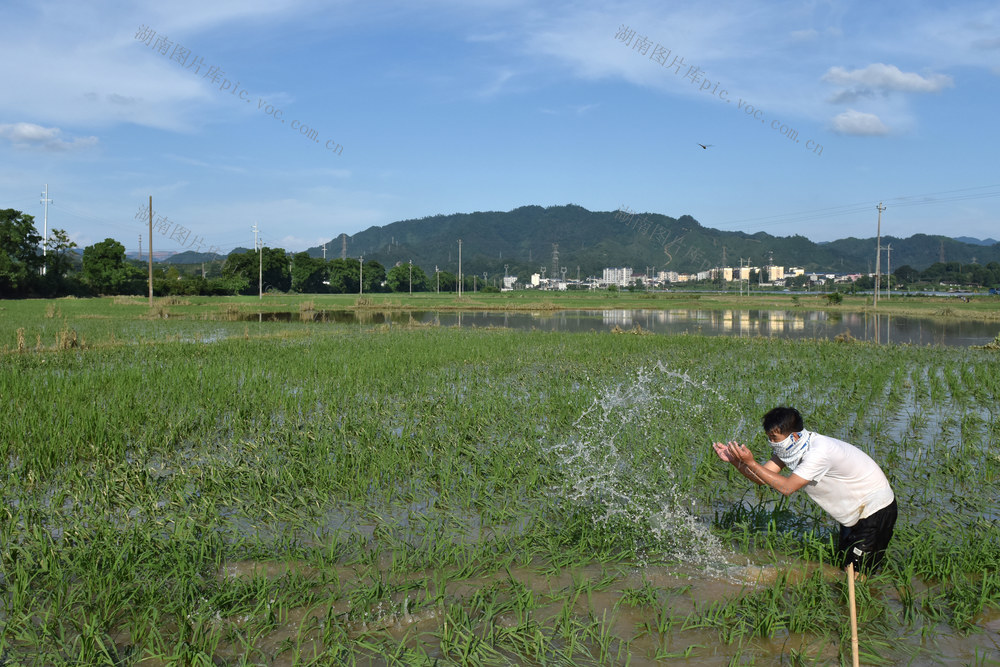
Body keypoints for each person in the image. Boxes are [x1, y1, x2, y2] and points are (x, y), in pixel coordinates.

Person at [713, 406, 897, 576]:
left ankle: (863, 603)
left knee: (857, 572)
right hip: (854, 509)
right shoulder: (793, 447)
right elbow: (762, 478)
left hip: (875, 509)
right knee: (845, 564)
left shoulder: (818, 452)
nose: (771, 443)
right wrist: (735, 461)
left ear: (793, 436)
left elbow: (787, 487)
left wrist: (751, 462)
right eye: (769, 438)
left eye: (774, 439)